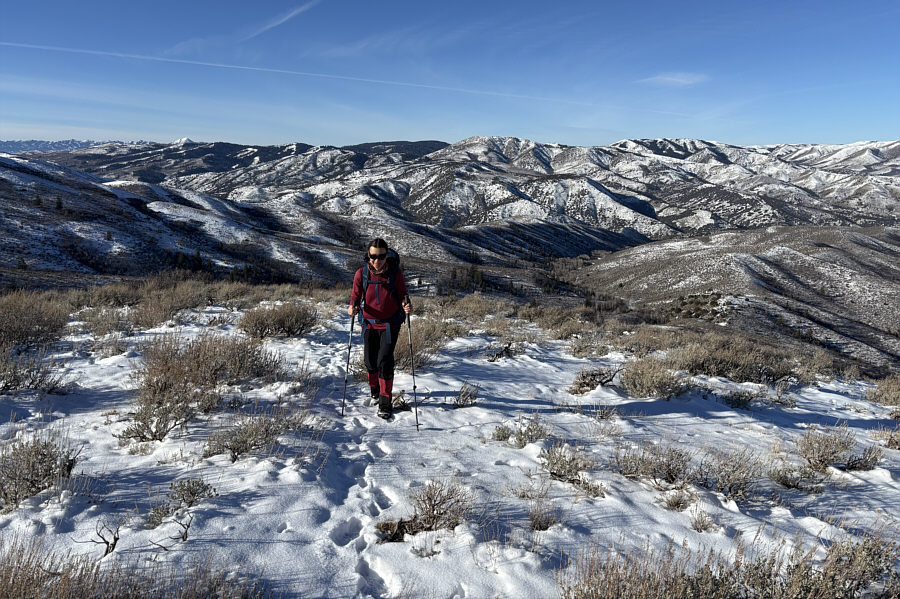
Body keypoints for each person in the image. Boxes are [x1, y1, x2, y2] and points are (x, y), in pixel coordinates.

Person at [348, 238, 412, 418]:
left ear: (387, 256)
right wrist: (352, 306)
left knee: (384, 361)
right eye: (373, 256)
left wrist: (406, 305)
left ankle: (385, 401)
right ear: (368, 256)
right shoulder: (362, 274)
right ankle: (375, 389)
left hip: (390, 324)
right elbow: (355, 296)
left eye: (381, 256)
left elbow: (403, 294)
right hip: (368, 323)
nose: (377, 260)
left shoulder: (395, 274)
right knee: (370, 361)